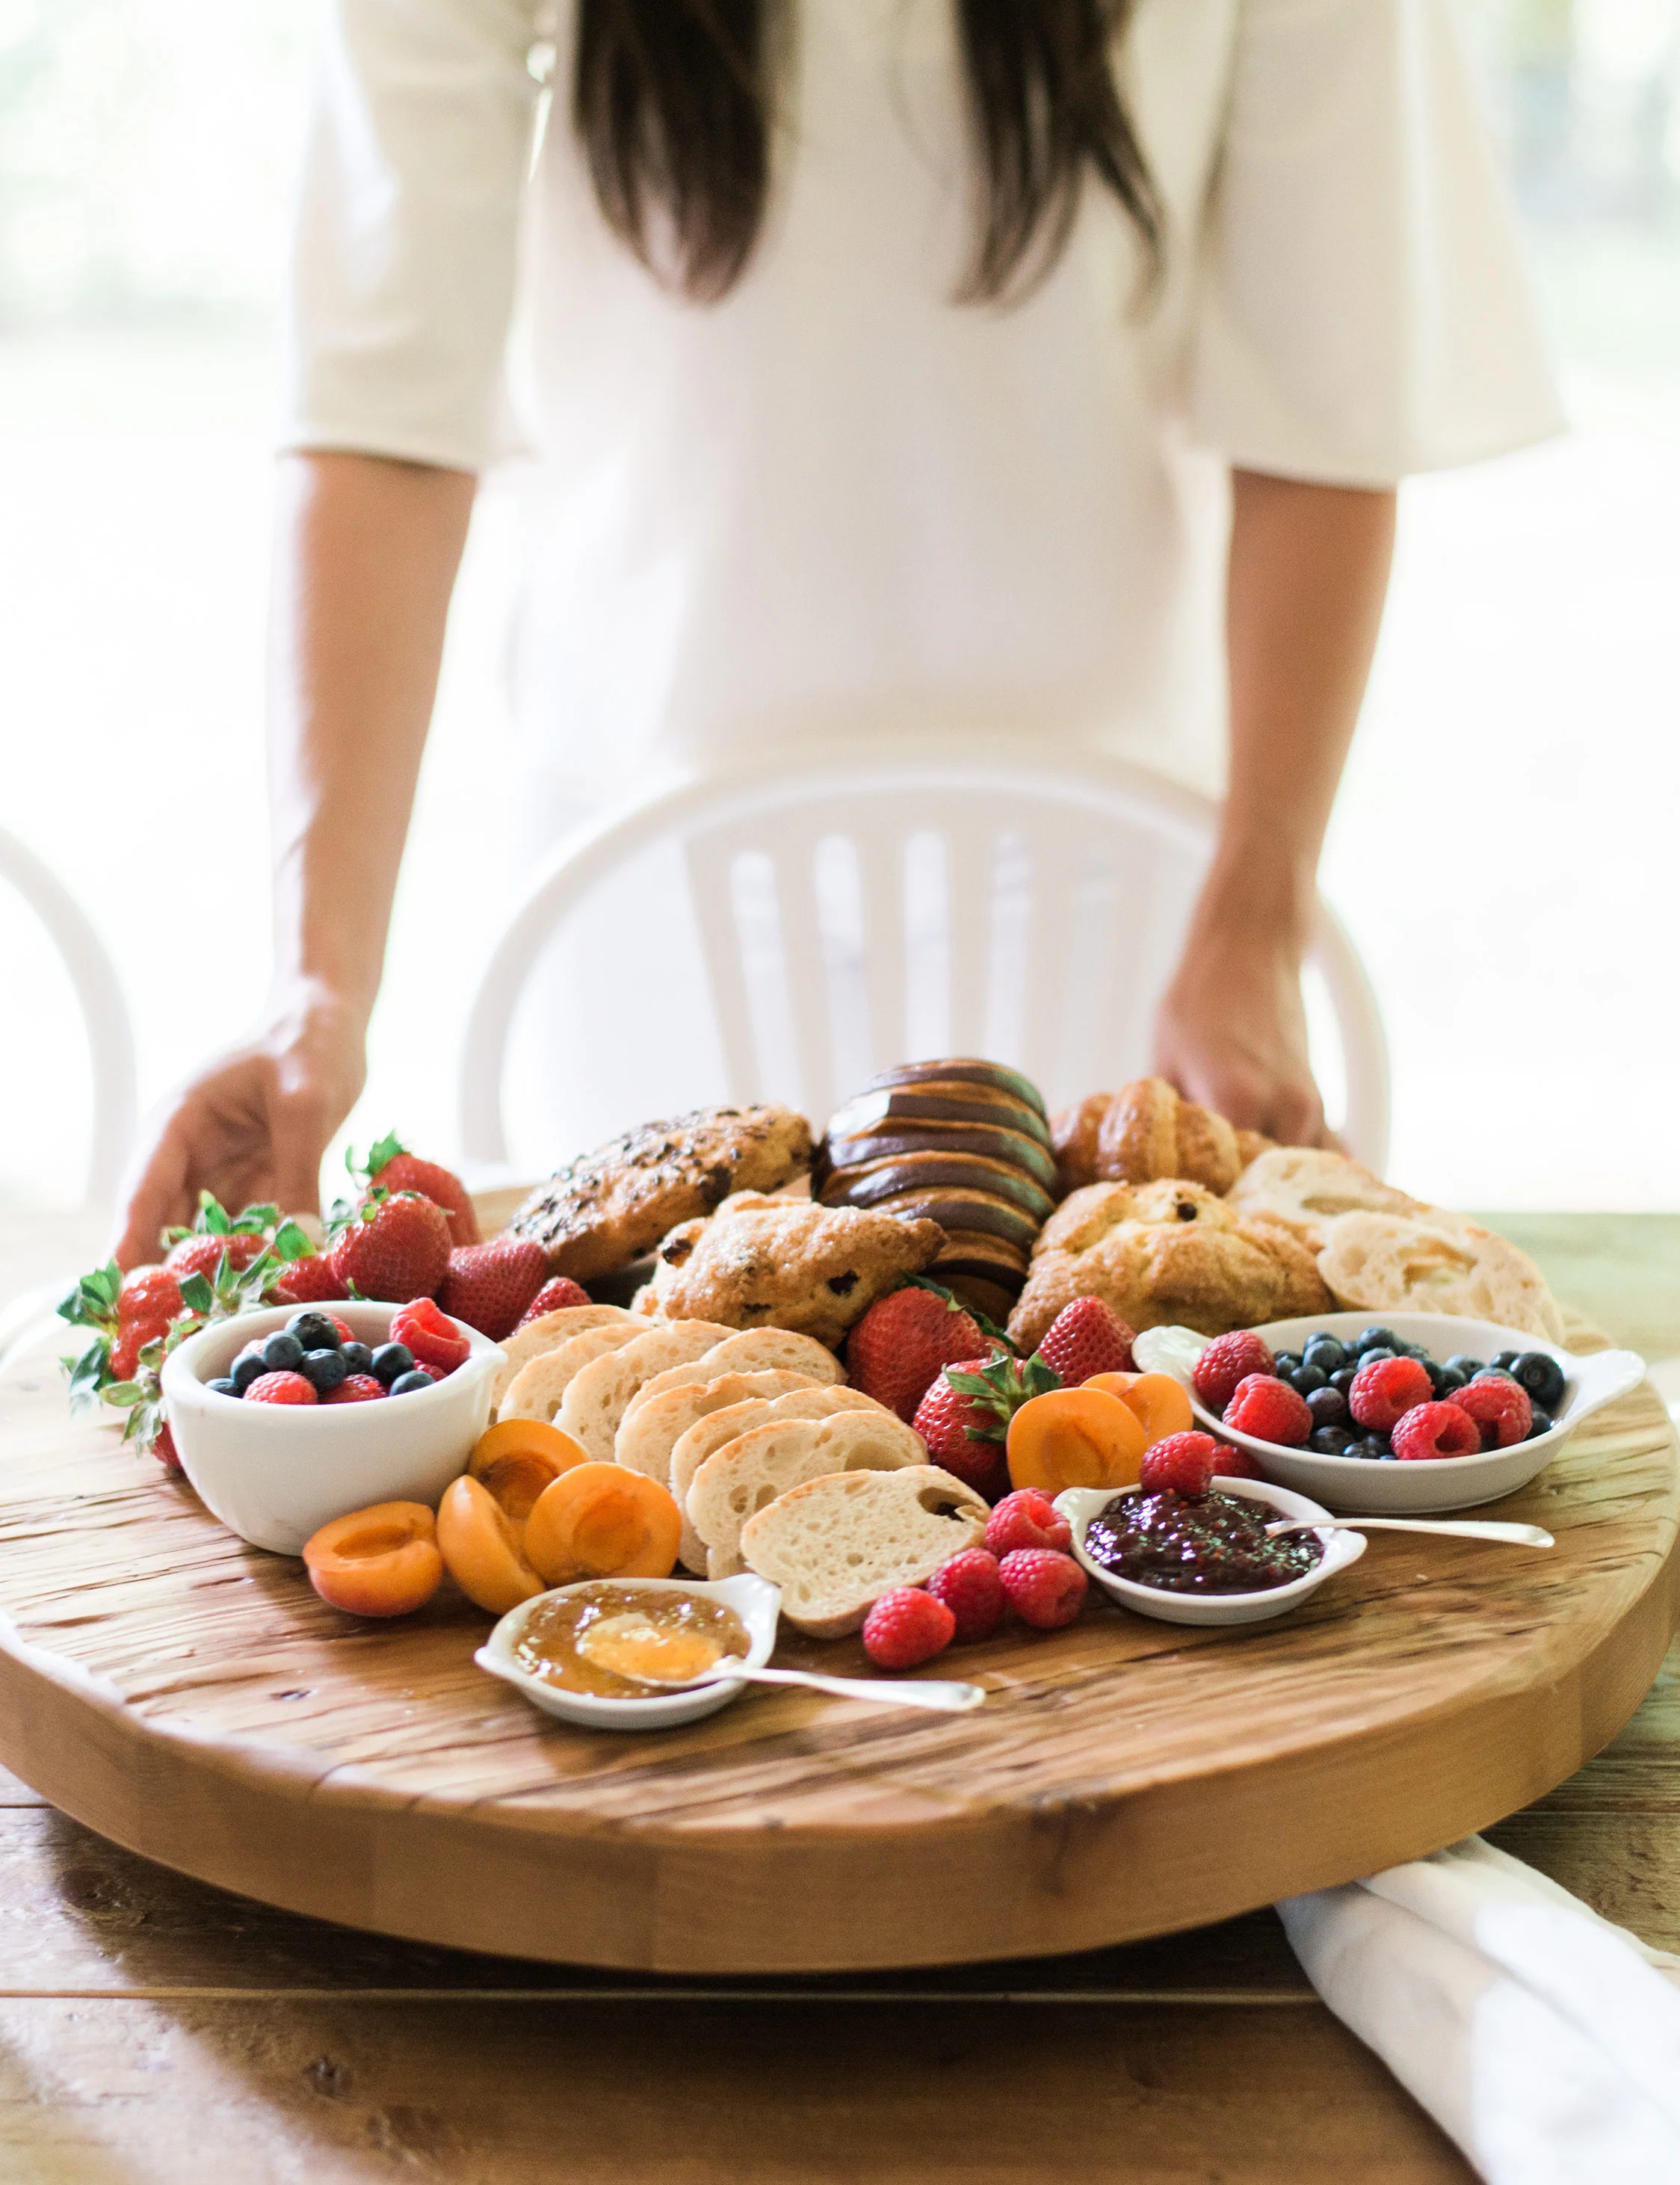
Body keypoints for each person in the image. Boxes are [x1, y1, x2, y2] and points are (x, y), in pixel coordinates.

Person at [114, 0, 1559, 1266]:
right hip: (636, 875)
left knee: (1089, 1484)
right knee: (639, 1483)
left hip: (1121, 904)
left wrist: (1257, 915)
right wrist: (318, 983)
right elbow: (386, 408)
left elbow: (1326, 402)